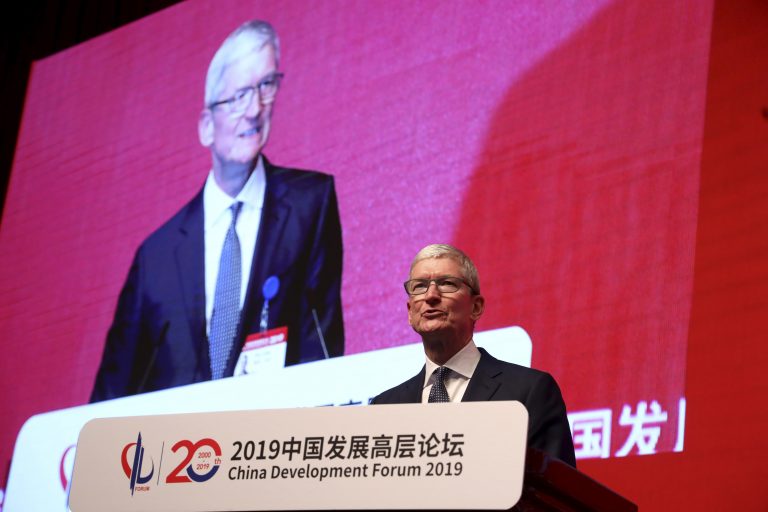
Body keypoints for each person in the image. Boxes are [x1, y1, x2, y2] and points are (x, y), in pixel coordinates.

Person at [90, 20, 344, 402]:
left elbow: (320, 347)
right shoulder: (156, 258)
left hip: (271, 444)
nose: (255, 109)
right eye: (238, 95)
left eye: (265, 87)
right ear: (206, 126)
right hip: (174, 452)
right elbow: (114, 389)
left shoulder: (309, 204)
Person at [370, 244, 575, 467]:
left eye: (446, 283)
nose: (430, 296)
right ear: (410, 312)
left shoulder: (530, 392)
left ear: (476, 307)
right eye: (419, 286)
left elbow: (553, 494)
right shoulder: (384, 407)